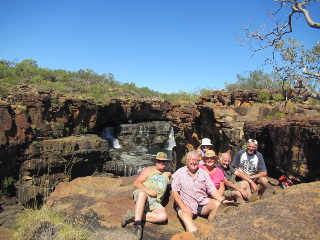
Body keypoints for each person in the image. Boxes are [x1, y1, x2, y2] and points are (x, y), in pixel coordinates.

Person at [171, 151, 230, 233]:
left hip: (201, 204)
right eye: (191, 160)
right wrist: (183, 206)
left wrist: (223, 200)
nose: (194, 162)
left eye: (196, 160)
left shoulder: (203, 173)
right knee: (190, 226)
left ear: (199, 162)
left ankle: (209, 228)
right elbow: (174, 192)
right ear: (186, 161)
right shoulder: (179, 173)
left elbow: (212, 189)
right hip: (186, 204)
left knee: (218, 204)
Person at [121, 152, 172, 240]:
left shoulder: (168, 174)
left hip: (155, 201)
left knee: (163, 217)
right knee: (142, 193)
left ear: (166, 162)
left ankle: (133, 216)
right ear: (155, 161)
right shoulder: (150, 169)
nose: (161, 163)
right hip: (144, 196)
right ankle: (137, 225)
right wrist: (149, 191)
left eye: (163, 161)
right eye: (159, 160)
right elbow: (136, 183)